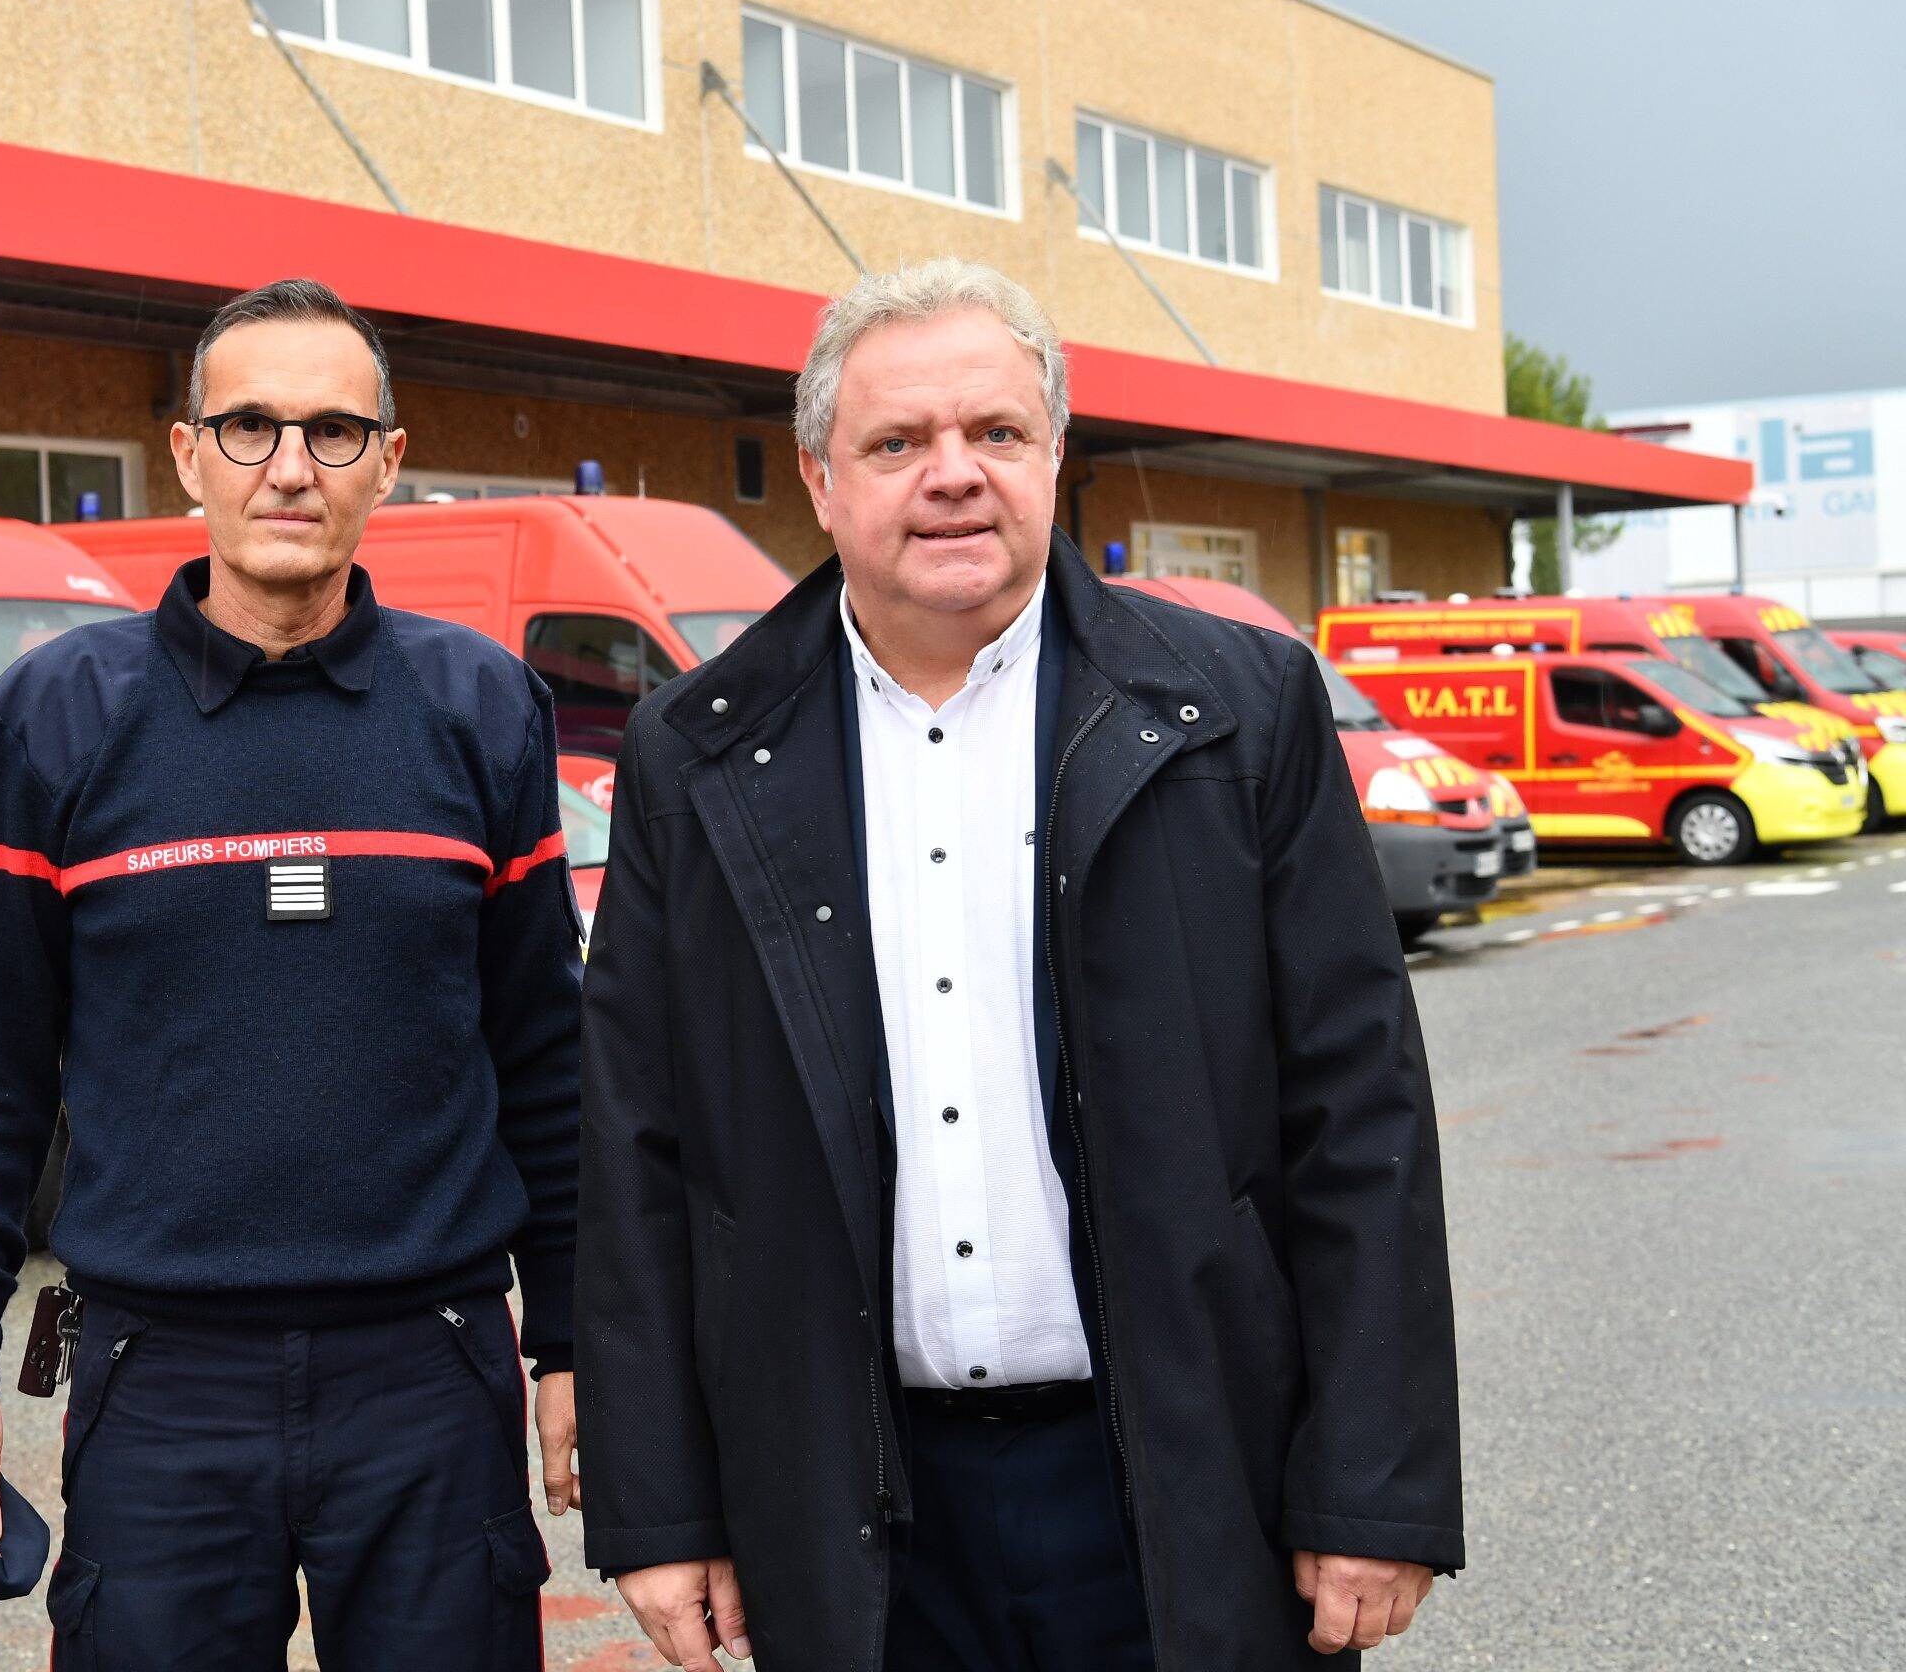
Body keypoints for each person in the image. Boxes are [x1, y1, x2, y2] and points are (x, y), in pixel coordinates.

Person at [577, 258, 1461, 1671]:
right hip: (858, 1508)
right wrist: (659, 1507)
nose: (953, 476)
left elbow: (1358, 1116)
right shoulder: (699, 752)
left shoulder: (1238, 713)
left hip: (1181, 1479)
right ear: (820, 477)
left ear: (1057, 451)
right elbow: (638, 1152)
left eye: (995, 433)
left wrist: (1375, 1481)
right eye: (897, 442)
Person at [0, 278, 582, 1669]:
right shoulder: (58, 717)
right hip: (161, 1378)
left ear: (390, 462)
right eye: (250, 426)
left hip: (432, 1369)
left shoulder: (480, 708)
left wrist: (569, 1341)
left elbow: (547, 1064)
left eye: (333, 431)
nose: (289, 466)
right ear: (187, 453)